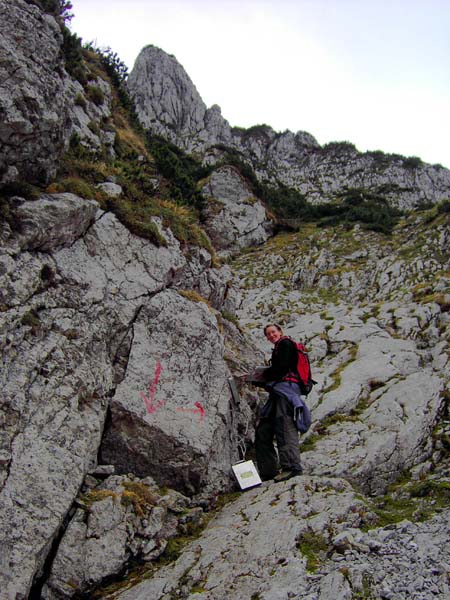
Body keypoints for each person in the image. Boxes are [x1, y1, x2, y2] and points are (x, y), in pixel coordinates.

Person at [254, 323, 303, 482]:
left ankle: (292, 467)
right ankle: (268, 471)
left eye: (273, 332)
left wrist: (263, 376)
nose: (271, 335)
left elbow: (281, 369)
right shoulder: (279, 348)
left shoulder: (285, 344)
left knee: (284, 427)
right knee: (263, 429)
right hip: (278, 392)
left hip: (286, 392)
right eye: (268, 334)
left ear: (280, 332)